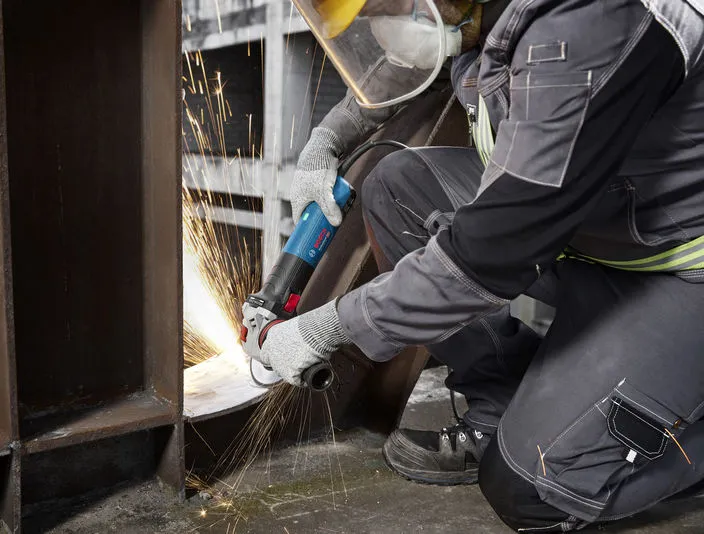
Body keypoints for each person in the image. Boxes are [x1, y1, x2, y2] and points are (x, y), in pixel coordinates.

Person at [243, 0, 704, 530]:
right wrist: (325, 143)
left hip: (677, 264)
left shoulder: (589, 22)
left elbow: (491, 253)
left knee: (538, 488)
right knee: (398, 188)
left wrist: (327, 327)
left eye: (385, 8)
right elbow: (409, 56)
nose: (385, 25)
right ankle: (500, 404)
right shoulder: (473, 10)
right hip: (590, 230)